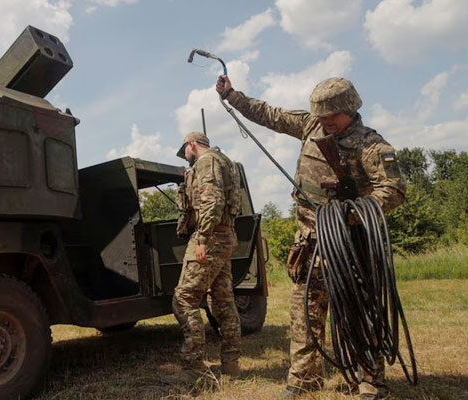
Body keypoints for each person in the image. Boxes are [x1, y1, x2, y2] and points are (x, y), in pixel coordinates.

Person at [215, 75, 406, 399]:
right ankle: (304, 379)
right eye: (320, 115)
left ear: (348, 109)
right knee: (304, 313)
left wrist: (353, 212)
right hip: (310, 242)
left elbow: (394, 189)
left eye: (330, 115)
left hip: (351, 245)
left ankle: (367, 380)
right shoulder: (309, 126)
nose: (324, 122)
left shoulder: (371, 144)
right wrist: (233, 96)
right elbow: (270, 115)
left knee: (357, 313)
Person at [169, 131, 242, 381]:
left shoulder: (206, 162)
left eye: (185, 151)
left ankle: (193, 368)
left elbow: (212, 201)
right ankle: (231, 364)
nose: (185, 157)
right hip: (224, 236)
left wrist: (201, 238)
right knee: (222, 300)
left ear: (192, 145)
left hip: (210, 237)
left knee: (184, 299)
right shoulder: (224, 161)